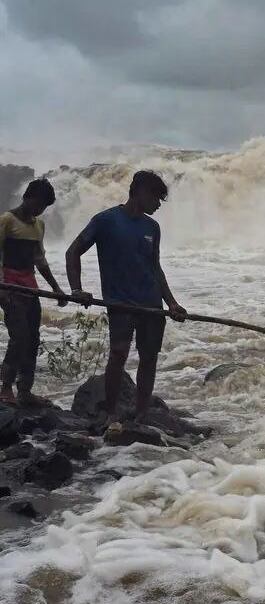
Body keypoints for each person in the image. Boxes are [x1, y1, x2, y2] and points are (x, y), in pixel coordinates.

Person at [65, 170, 187, 424]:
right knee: (118, 353)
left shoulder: (152, 227)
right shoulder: (106, 220)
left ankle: (141, 413)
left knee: (149, 357)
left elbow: (155, 267)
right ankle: (110, 412)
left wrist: (171, 302)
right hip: (120, 302)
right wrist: (76, 290)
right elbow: (73, 252)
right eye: (156, 199)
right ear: (141, 192)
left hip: (151, 304)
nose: (157, 206)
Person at [0, 179, 69, 406]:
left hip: (29, 286)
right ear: (27, 197)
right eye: (38, 204)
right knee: (19, 337)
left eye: (44, 207)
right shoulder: (7, 220)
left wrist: (56, 289)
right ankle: (5, 388)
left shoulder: (39, 225)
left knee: (33, 339)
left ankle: (25, 391)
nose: (40, 210)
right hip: (8, 285)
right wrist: (2, 289)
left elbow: (39, 259)